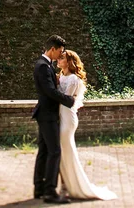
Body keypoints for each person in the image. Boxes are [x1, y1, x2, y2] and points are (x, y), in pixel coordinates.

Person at [56, 50, 118, 201]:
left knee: (66, 152)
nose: (58, 59)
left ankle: (70, 186)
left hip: (67, 118)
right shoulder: (62, 77)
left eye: (62, 58)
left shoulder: (73, 80)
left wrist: (53, 88)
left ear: (69, 62)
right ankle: (65, 185)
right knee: (62, 153)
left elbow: (65, 99)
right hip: (60, 116)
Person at [32, 35, 75, 204]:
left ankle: (39, 188)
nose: (61, 54)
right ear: (52, 49)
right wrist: (69, 100)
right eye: (60, 51)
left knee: (43, 151)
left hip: (45, 113)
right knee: (55, 151)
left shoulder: (45, 65)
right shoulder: (42, 66)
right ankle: (50, 191)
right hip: (47, 115)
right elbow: (49, 91)